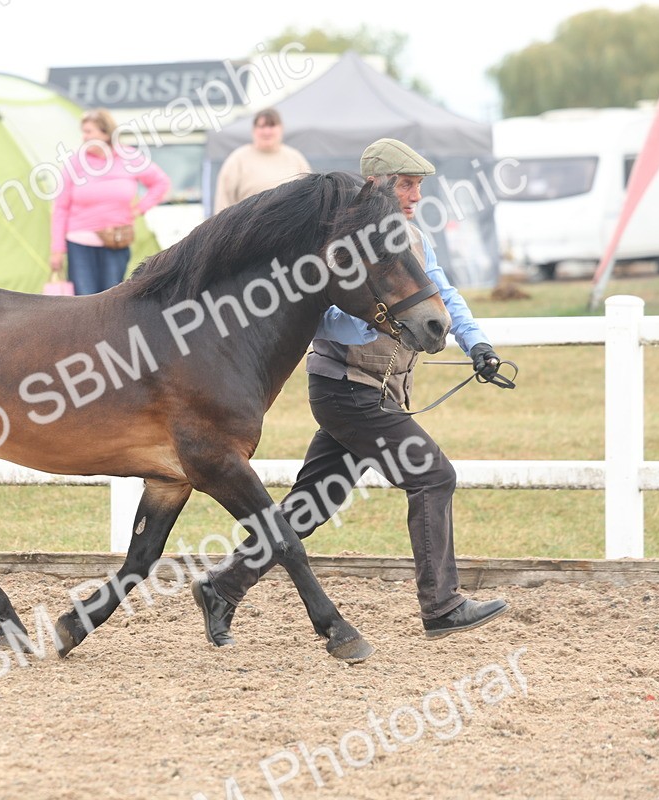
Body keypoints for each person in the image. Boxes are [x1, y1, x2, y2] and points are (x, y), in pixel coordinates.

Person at [193, 138, 508, 645]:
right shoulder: (337, 248)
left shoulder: (412, 239)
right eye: (407, 185)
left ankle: (223, 586)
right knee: (432, 476)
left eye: (419, 186)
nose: (416, 196)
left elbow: (443, 294)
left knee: (312, 504)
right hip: (348, 389)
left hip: (375, 392)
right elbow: (316, 319)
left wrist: (479, 345)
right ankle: (442, 605)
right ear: (377, 184)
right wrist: (378, 322)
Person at [50, 108, 171, 296]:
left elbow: (161, 183)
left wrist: (139, 209)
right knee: (84, 299)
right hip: (79, 243)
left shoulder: (129, 157)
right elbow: (60, 208)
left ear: (106, 133)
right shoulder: (74, 162)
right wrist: (57, 249)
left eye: (89, 132)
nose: (84, 137)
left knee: (112, 297)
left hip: (117, 241)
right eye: (83, 132)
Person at [213, 108, 311, 213]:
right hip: (248, 223)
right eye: (262, 126)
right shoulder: (237, 160)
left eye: (272, 126)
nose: (267, 132)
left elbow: (310, 198)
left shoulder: (296, 159)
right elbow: (223, 201)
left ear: (281, 128)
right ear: (254, 130)